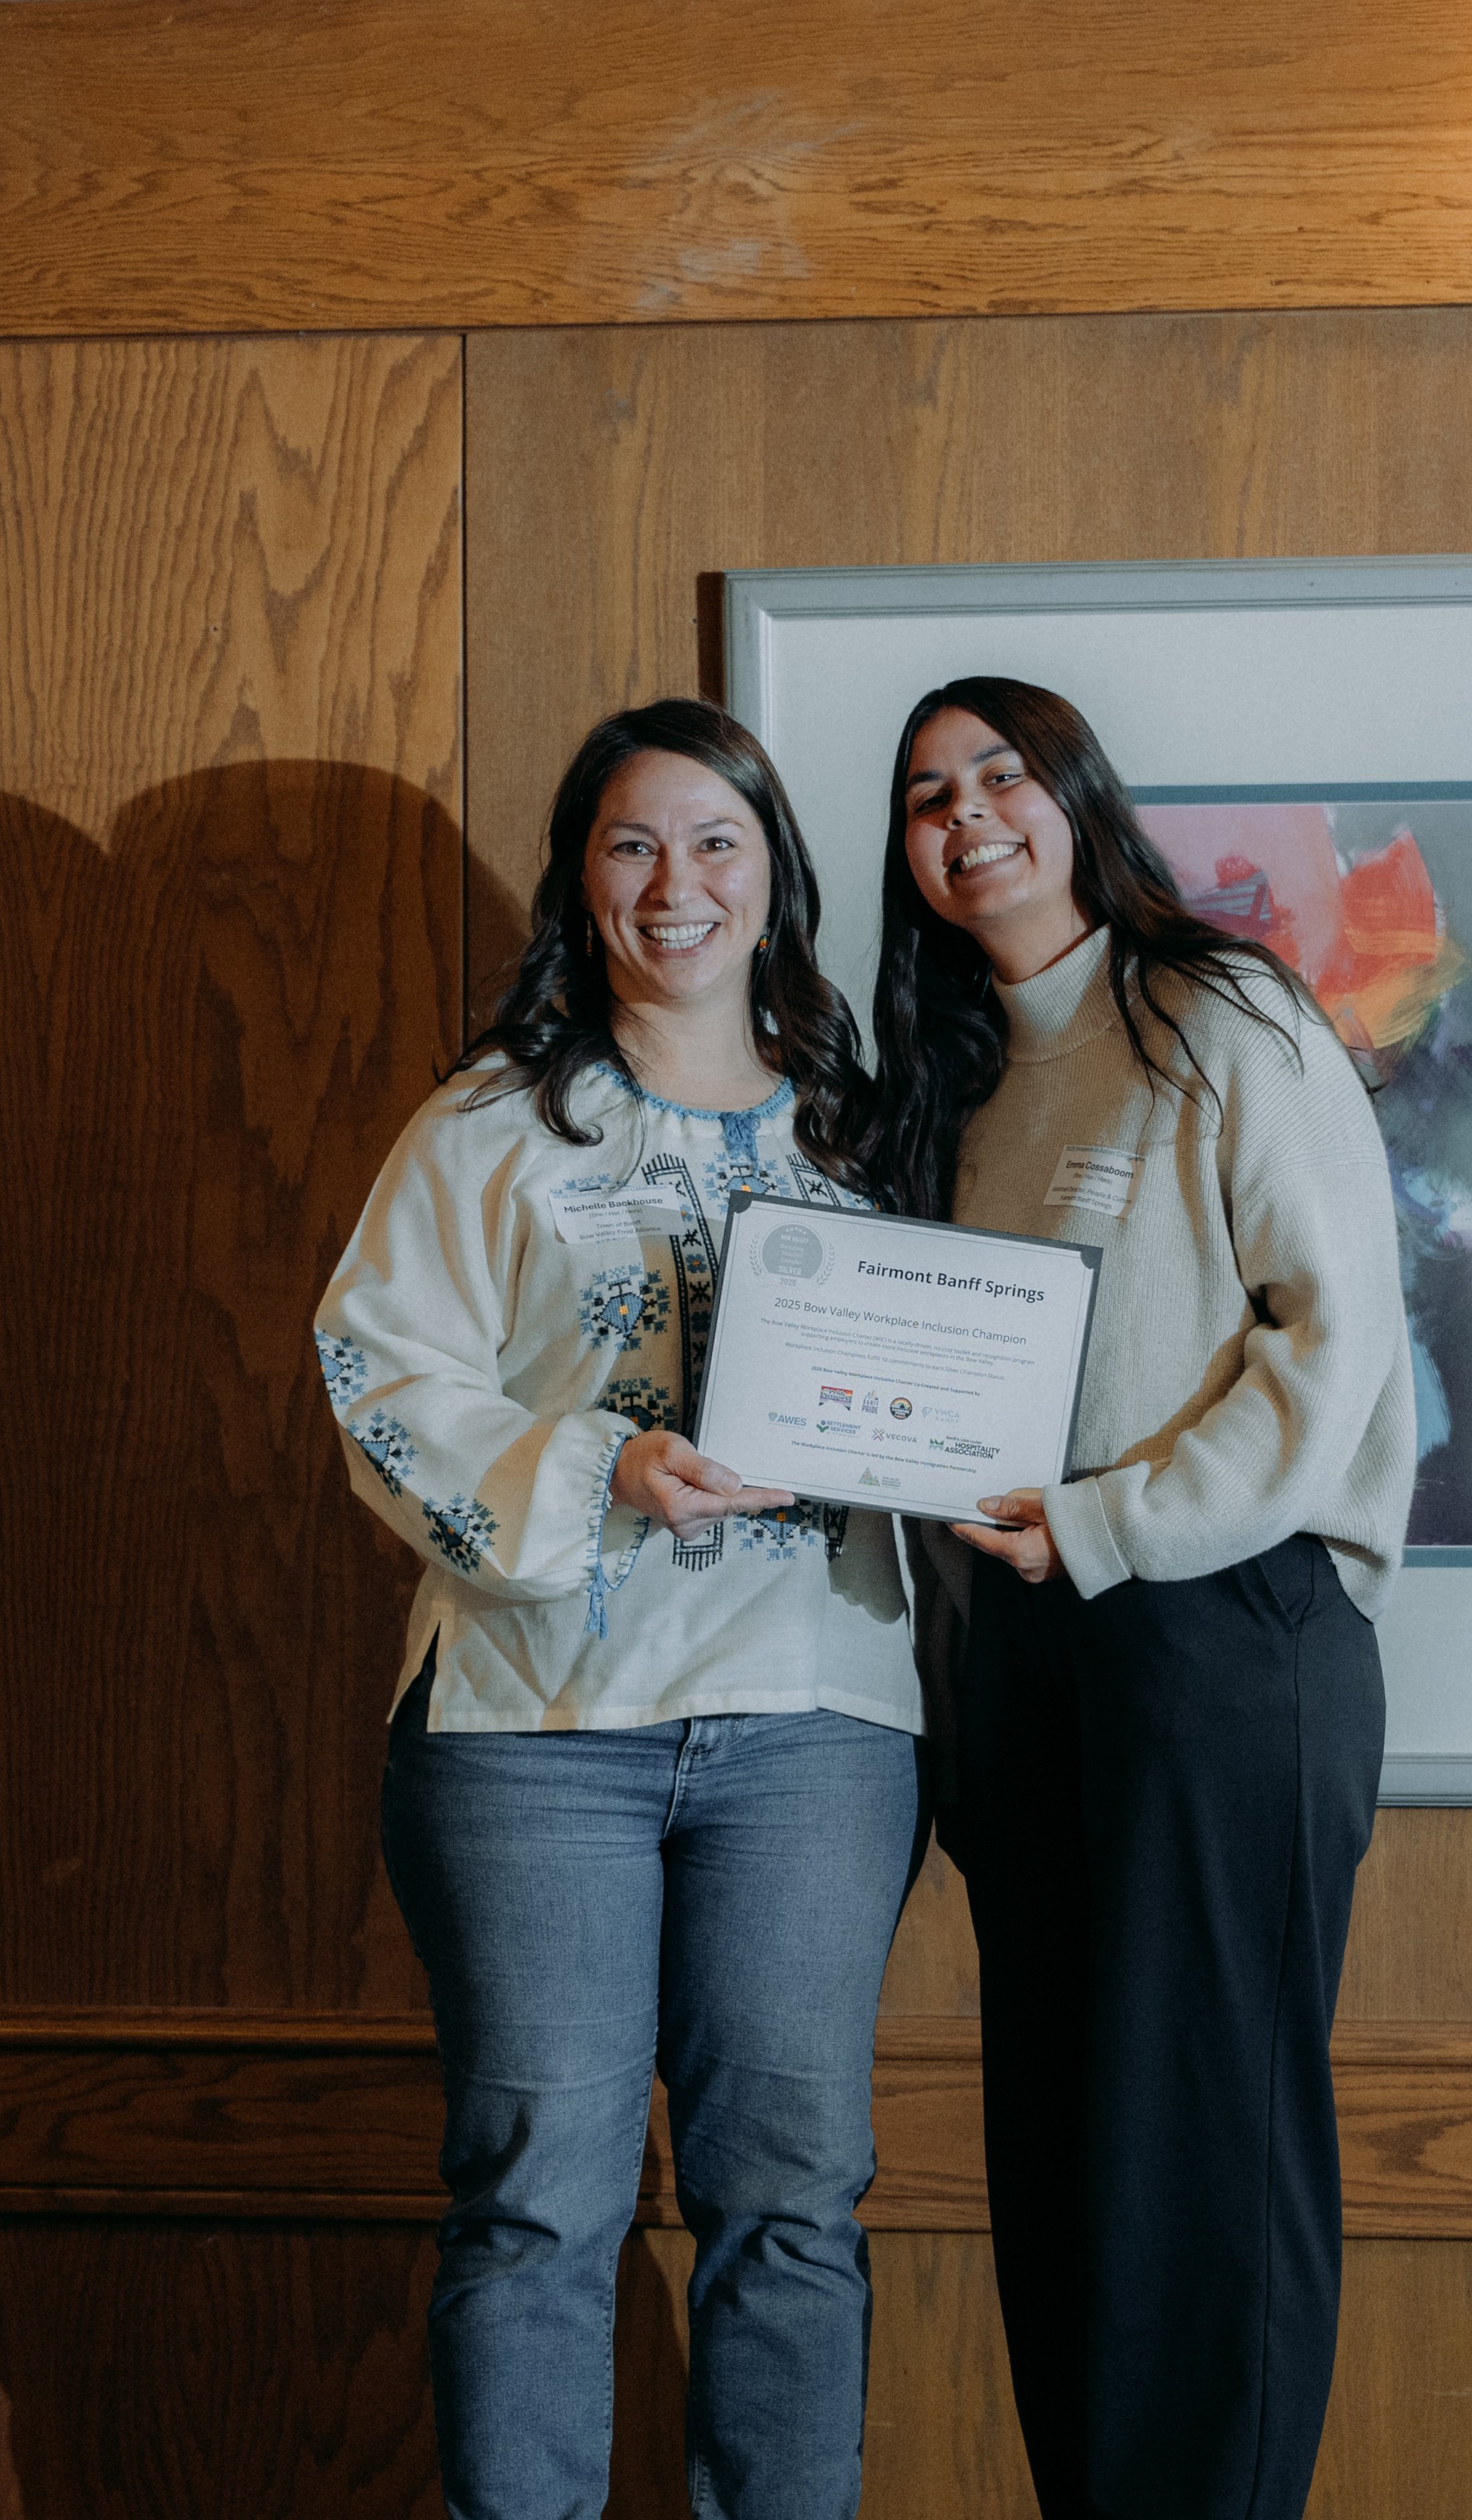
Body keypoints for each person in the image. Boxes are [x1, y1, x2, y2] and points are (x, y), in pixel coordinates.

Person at [314, 698, 927, 2520]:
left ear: (774, 874)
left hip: (814, 1725)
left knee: (795, 2201)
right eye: (632, 844)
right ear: (581, 884)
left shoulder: (870, 1125)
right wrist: (604, 1468)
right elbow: (374, 1373)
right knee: (533, 2201)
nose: (677, 881)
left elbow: (961, 1372)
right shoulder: (490, 1123)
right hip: (529, 1736)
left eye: (715, 840)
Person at [862, 676, 1416, 2520]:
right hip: (1021, 1665)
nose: (967, 819)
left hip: (1214, 1640)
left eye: (998, 775)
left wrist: (1107, 1529)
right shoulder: (953, 1078)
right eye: (927, 796)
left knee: (1201, 2165)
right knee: (1070, 2170)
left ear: (1074, 795)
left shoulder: (1217, 1012)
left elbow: (1326, 1352)